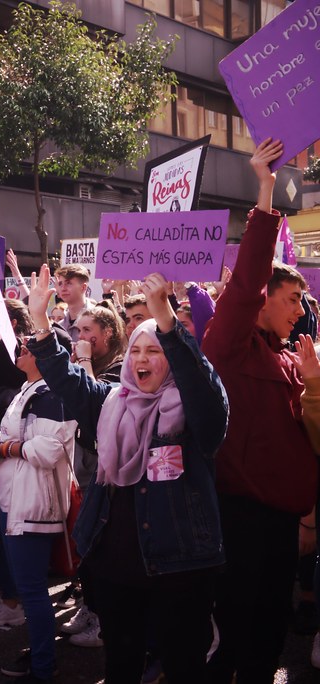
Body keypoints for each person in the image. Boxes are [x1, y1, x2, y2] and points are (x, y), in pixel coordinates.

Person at [27, 264, 228, 683]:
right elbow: (68, 382)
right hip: (115, 562)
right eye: (136, 350)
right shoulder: (113, 401)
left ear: (171, 358)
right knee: (121, 663)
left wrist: (169, 325)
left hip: (180, 565)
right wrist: (42, 323)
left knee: (184, 665)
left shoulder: (194, 409)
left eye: (153, 351)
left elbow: (200, 385)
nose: (141, 359)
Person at [204, 138, 320, 684]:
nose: (300, 312)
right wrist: (266, 190)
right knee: (238, 634)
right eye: (291, 299)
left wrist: (305, 515)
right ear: (263, 301)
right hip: (239, 518)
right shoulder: (229, 346)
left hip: (283, 524)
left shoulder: (292, 360)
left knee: (271, 632)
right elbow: (245, 279)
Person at [0, 326, 78, 683]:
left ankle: (44, 665)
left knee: (33, 590)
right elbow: (13, 433)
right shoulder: (29, 390)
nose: (21, 348)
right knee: (29, 588)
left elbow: (50, 449)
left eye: (30, 346)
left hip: (34, 505)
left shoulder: (54, 394)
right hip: (15, 499)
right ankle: (39, 652)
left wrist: (3, 449)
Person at [55, 265, 94, 343]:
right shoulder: (59, 327)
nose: (63, 288)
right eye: (60, 284)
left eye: (68, 283)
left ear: (83, 287)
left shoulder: (97, 319)